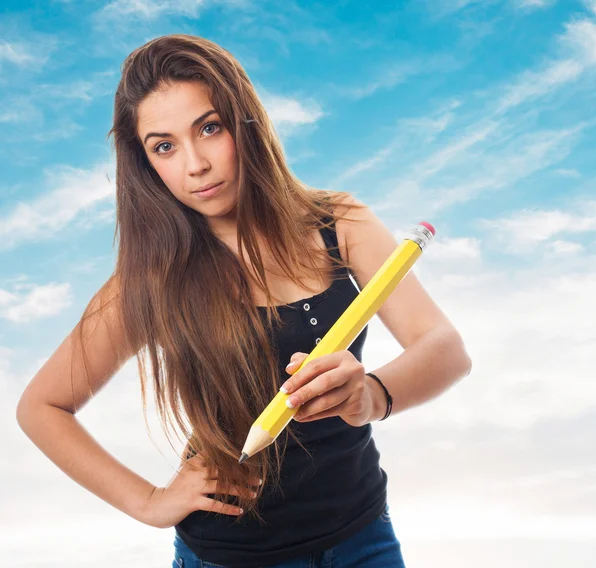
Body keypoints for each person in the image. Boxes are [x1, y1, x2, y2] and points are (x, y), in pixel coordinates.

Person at [15, 34, 472, 568]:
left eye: (209, 128)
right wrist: (149, 502)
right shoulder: (150, 278)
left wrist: (369, 396)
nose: (195, 165)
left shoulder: (339, 223)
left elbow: (446, 350)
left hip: (363, 537)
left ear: (245, 121)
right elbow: (40, 408)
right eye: (164, 146)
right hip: (231, 556)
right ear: (146, 163)